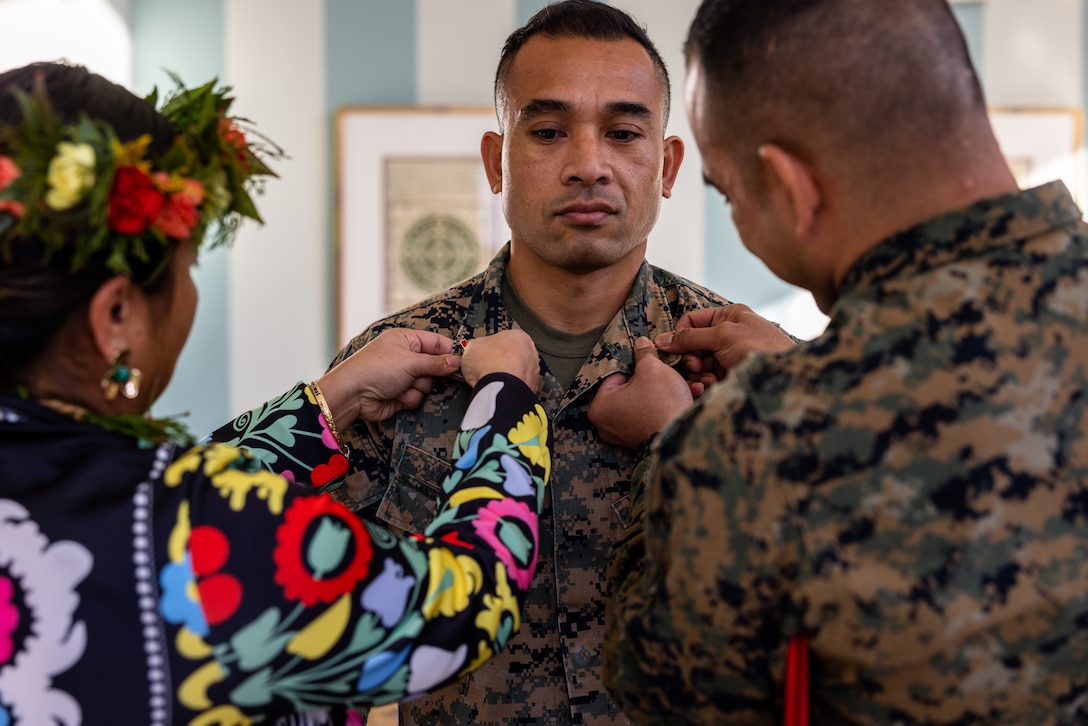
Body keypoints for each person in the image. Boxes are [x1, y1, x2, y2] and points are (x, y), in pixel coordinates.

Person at [0, 61, 552, 725]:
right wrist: (506, 405)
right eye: (187, 269)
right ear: (116, 316)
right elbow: (454, 612)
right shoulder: (201, 528)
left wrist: (330, 402)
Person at [596, 0, 1088, 723]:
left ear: (794, 188)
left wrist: (674, 443)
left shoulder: (756, 444)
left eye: (731, 195)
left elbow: (663, 689)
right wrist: (807, 366)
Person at [327, 1, 793, 723]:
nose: (587, 165)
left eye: (623, 132)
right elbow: (313, 606)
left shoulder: (736, 366)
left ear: (666, 165)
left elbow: (797, 609)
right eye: (547, 132)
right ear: (496, 160)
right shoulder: (400, 363)